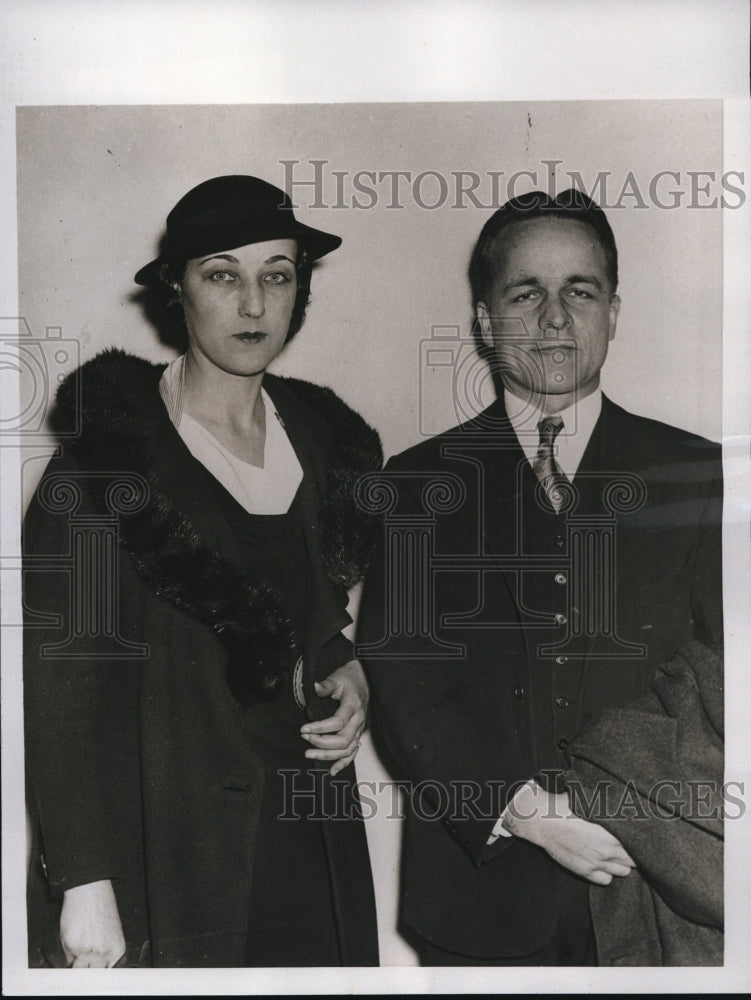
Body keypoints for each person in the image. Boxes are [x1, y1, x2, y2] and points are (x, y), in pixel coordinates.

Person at [24, 175, 382, 968]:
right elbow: (61, 693)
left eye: (277, 275)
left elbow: (309, 608)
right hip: (170, 847)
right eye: (223, 274)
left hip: (311, 833)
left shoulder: (324, 442)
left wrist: (344, 665)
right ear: (176, 290)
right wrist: (84, 883)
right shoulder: (99, 469)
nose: (253, 304)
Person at [358, 189, 722, 966]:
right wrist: (520, 810)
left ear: (613, 311)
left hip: (659, 898)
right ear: (485, 321)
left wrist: (633, 810)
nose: (554, 317)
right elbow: (403, 678)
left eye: (579, 291)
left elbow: (731, 674)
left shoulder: (697, 474)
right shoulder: (417, 483)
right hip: (480, 905)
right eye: (526, 293)